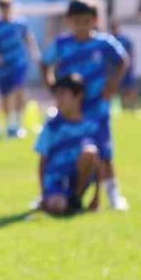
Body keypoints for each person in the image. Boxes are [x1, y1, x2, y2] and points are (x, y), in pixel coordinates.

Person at [41, 0, 131, 211]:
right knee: (60, 149)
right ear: (69, 21)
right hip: (70, 110)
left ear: (95, 21)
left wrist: (113, 86)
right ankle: (54, 191)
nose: (81, 27)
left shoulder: (104, 43)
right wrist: (51, 84)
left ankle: (112, 192)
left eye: (86, 21)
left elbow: (123, 61)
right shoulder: (62, 44)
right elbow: (45, 63)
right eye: (76, 21)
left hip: (96, 107)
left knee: (104, 151)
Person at [35, 74, 104, 216]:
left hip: (76, 180)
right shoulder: (52, 126)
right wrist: (43, 194)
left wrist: (97, 197)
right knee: (58, 206)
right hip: (56, 180)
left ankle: (75, 199)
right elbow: (42, 162)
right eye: (57, 95)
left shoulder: (91, 126)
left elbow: (99, 163)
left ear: (78, 96)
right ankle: (58, 202)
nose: (58, 100)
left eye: (63, 95)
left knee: (90, 152)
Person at [0, 0, 41, 138]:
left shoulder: (20, 24)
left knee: (19, 89)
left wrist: (35, 52)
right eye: (3, 7)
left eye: (8, 6)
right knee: (6, 94)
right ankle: (10, 124)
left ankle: (18, 123)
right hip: (3, 65)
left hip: (19, 62)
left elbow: (29, 38)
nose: (6, 10)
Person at [109, 21, 141, 113]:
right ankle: (115, 108)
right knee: (113, 89)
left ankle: (135, 108)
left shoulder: (125, 40)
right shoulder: (109, 41)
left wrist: (131, 65)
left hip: (126, 70)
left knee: (131, 89)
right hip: (114, 70)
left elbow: (131, 53)